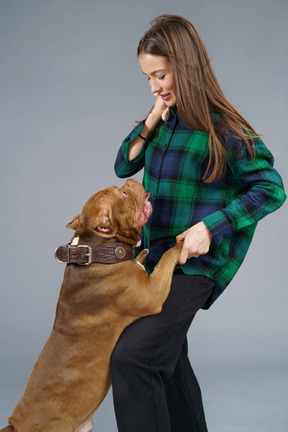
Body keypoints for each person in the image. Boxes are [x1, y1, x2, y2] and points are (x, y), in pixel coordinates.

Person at [112, 14, 286, 432]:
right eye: (147, 78)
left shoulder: (224, 128)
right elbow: (123, 164)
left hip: (193, 267)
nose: (154, 86)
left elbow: (271, 189)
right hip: (156, 263)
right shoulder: (163, 124)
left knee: (134, 358)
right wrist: (153, 115)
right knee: (168, 366)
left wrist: (212, 227)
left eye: (160, 75)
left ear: (184, 66)